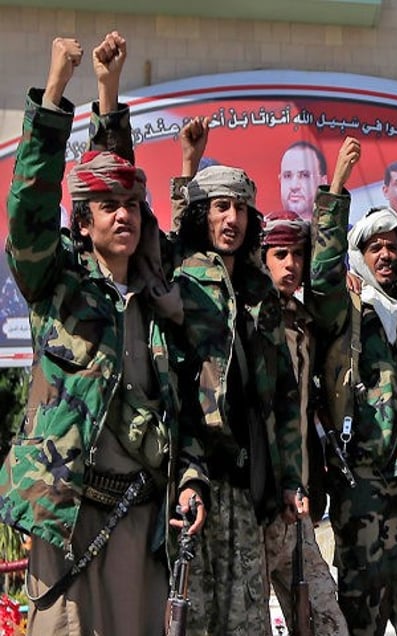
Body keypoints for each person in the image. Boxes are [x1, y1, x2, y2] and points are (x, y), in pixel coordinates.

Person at [0, 34, 206, 635]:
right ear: (83, 223)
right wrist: (60, 91)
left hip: (142, 520)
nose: (123, 214)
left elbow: (184, 409)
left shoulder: (156, 300)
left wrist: (110, 92)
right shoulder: (58, 284)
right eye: (107, 206)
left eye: (133, 206)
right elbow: (30, 210)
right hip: (71, 519)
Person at [172, 120, 303, 635]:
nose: (232, 218)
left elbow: (285, 396)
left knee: (247, 620)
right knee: (194, 619)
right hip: (194, 479)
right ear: (204, 213)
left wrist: (290, 479)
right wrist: (188, 165)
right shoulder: (180, 272)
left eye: (241, 207)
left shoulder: (259, 292)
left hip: (249, 484)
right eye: (221, 207)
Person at [311, 138, 397, 635]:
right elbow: (320, 279)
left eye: (392, 245)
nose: (385, 254)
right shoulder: (346, 308)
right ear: (360, 254)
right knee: (363, 614)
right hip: (361, 482)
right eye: (375, 246)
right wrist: (337, 187)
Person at [260, 206, 349, 636]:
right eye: (280, 254)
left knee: (324, 618)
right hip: (256, 508)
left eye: (297, 255)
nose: (291, 264)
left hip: (297, 510)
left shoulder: (305, 324)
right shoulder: (248, 319)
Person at [279, 140, 327, 221]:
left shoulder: (345, 232)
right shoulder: (264, 231)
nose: (294, 186)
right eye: (287, 176)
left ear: (323, 182)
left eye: (305, 175)